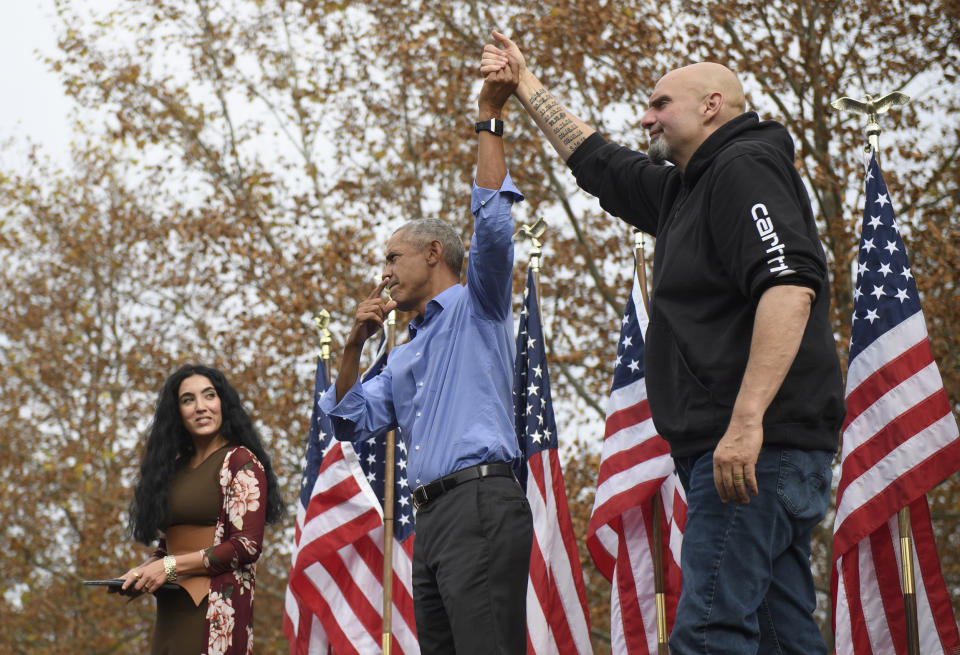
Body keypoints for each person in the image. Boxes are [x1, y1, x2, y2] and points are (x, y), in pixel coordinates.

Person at [481, 32, 845, 654]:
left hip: (753, 452)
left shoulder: (743, 166)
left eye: (659, 103)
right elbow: (598, 161)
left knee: (706, 634)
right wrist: (523, 84)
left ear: (711, 105)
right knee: (782, 639)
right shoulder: (685, 188)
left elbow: (788, 288)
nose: (645, 116)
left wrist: (746, 422)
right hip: (759, 454)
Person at [318, 57, 532, 654]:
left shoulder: (479, 303)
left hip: (482, 503)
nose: (383, 272)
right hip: (430, 519)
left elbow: (491, 222)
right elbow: (348, 419)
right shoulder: (406, 350)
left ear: (435, 253)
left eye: (393, 258)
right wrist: (355, 346)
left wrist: (488, 118)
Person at [117, 364, 284, 654]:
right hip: (171, 608)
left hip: (215, 610)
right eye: (188, 400)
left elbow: (245, 545)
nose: (200, 407)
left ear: (223, 403)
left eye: (209, 396)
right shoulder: (175, 468)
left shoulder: (240, 462)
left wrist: (168, 566)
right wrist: (141, 572)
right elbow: (168, 545)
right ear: (176, 413)